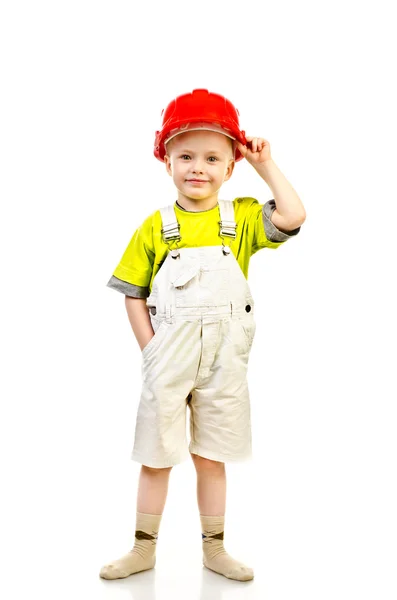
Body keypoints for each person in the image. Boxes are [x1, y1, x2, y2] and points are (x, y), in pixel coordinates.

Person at [99, 89, 306, 582]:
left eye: (213, 157)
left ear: (230, 167)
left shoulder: (241, 219)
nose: (198, 167)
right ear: (165, 160)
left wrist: (266, 165)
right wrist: (151, 349)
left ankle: (215, 548)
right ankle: (142, 548)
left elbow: (293, 217)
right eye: (185, 155)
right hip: (167, 357)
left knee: (212, 457)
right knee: (156, 457)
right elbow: (132, 292)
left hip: (223, 361)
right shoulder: (157, 226)